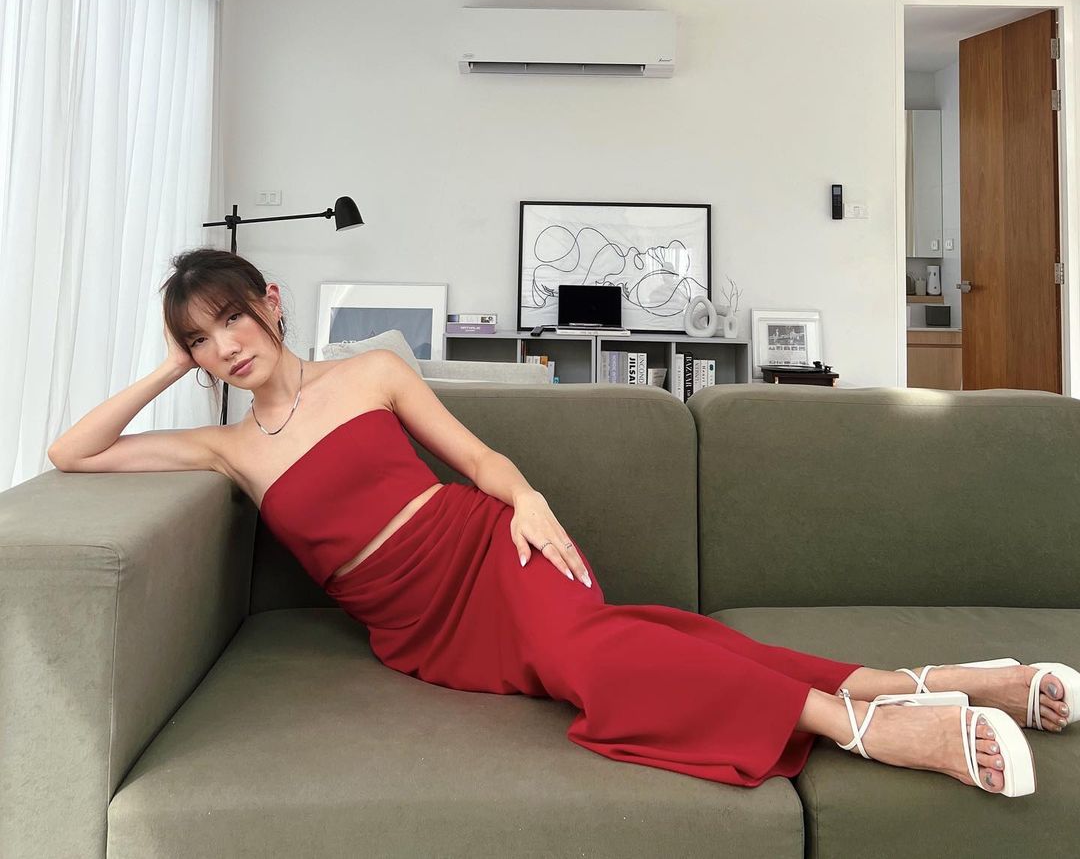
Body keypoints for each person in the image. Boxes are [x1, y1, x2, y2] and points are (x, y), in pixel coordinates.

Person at [47, 248, 1072, 796]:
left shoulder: (371, 371)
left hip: (489, 543)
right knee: (658, 638)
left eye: (230, 316)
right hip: (422, 629)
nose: (225, 344)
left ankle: (873, 727)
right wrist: (166, 366)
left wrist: (527, 499)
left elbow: (476, 459)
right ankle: (934, 680)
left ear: (270, 301)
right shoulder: (227, 445)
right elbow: (72, 451)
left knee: (597, 658)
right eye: (201, 338)